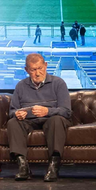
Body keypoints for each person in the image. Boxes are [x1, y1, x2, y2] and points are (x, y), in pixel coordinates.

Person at [8, 53, 72, 182]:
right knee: (13, 122)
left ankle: (54, 166)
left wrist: (47, 111)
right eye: (33, 70)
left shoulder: (58, 83)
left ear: (46, 66)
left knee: (56, 120)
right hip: (29, 121)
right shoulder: (21, 86)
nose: (37, 73)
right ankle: (23, 167)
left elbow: (66, 111)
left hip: (51, 119)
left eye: (40, 68)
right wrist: (17, 113)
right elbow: (12, 111)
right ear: (26, 70)